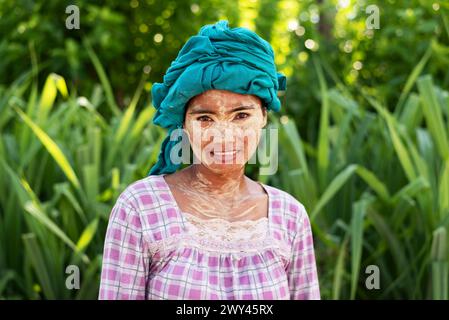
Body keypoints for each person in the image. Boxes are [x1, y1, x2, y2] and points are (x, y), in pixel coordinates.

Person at [99, 20, 320, 300]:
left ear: (263, 116)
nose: (224, 136)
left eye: (241, 116)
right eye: (205, 118)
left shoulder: (290, 216)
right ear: (184, 123)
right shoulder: (141, 206)